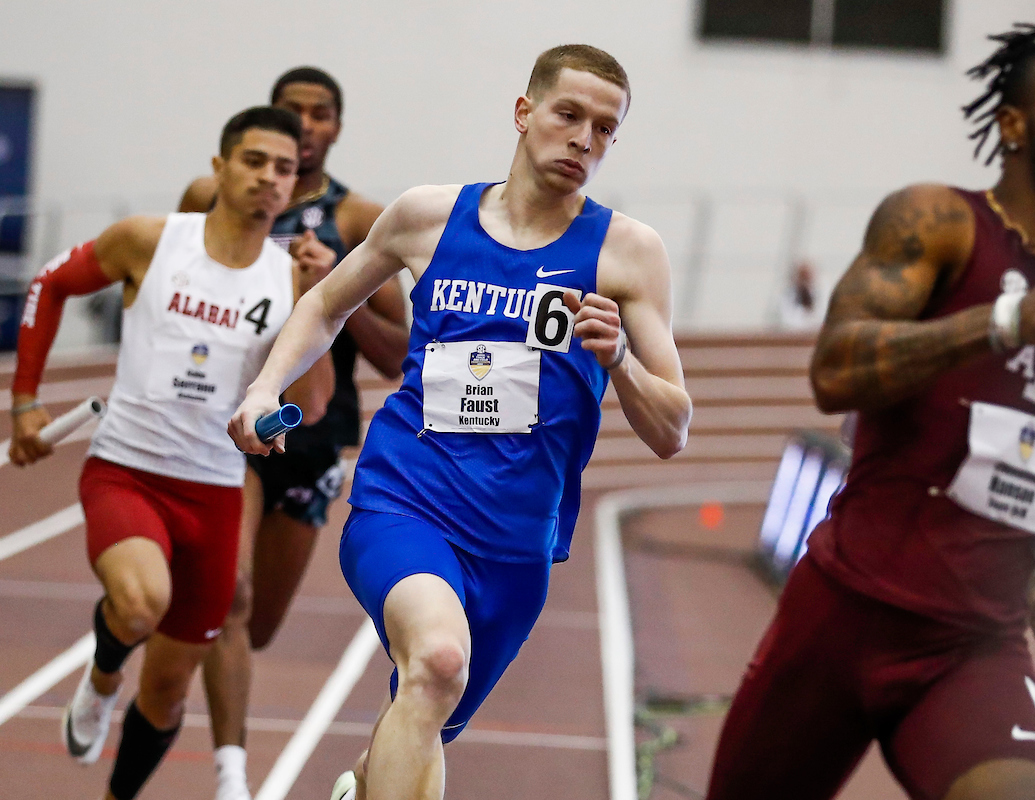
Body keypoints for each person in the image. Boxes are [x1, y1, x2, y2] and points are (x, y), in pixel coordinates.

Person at [229, 43, 693, 800]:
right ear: (524, 112)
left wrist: (621, 364)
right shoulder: (426, 217)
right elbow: (325, 302)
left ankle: (357, 785)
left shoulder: (628, 253)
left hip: (517, 546)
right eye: (568, 115)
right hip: (404, 502)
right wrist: (264, 387)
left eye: (605, 129)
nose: (584, 139)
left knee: (424, 714)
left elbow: (672, 430)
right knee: (440, 663)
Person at [705, 24, 1035, 800]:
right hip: (844, 614)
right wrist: (1003, 323)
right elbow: (835, 368)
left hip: (974, 643)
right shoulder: (937, 223)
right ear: (1014, 126)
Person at [8, 106, 334, 800]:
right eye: (254, 161)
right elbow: (50, 285)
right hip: (128, 472)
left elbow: (310, 401)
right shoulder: (150, 241)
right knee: (139, 603)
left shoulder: (288, 280)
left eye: (284, 168)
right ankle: (99, 681)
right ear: (219, 167)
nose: (270, 178)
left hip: (214, 494)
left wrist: (319, 305)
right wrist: (25, 401)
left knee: (166, 693)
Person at [179, 66, 408, 800]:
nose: (305, 126)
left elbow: (399, 356)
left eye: (320, 114)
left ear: (337, 127)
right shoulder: (204, 198)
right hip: (229, 418)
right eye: (291, 112)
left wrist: (335, 288)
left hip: (313, 432)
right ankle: (232, 775)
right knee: (233, 596)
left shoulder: (360, 219)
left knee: (260, 624)